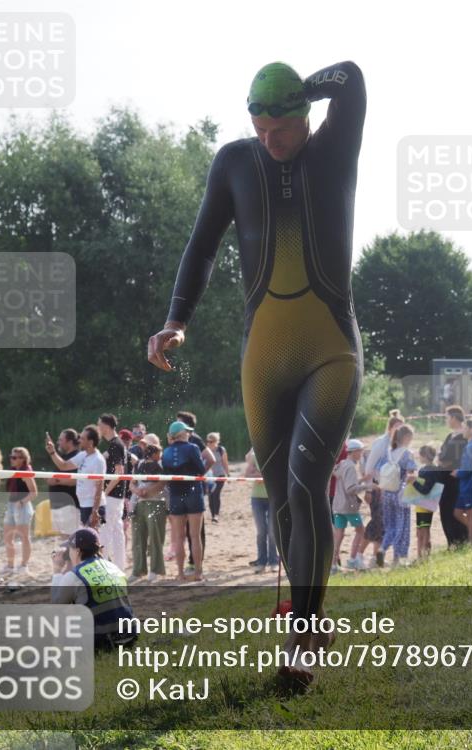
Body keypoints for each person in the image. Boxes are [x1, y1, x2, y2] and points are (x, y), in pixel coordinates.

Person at [149, 60, 365, 681]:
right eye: (260, 127)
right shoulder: (234, 162)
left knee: (305, 485)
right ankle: (312, 619)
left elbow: (351, 76)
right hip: (262, 360)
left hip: (331, 351)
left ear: (304, 118)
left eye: (283, 128)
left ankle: (302, 641)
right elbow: (202, 245)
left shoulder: (333, 150)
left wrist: (304, 92)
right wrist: (177, 319)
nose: (270, 141)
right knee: (286, 502)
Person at [51, 528, 136, 650]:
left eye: (70, 549)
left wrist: (57, 571)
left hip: (103, 642)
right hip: (130, 636)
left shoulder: (75, 575)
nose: (69, 553)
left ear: (78, 552)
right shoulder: (114, 567)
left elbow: (56, 606)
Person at [162, 421, 207, 581]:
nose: (189, 434)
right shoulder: (192, 448)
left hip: (175, 494)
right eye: (187, 432)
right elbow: (201, 470)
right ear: (182, 433)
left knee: (179, 537)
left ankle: (180, 574)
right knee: (195, 536)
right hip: (193, 493)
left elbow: (166, 474)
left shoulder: (166, 451)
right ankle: (198, 573)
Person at [362, 411, 405, 565]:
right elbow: (369, 466)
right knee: (378, 522)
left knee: (386, 523)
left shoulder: (398, 443)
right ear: (391, 427)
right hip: (378, 488)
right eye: (399, 427)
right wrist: (369, 489)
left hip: (391, 489)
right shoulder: (381, 443)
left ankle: (377, 557)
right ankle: (363, 555)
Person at [46, 425, 105, 527]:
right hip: (83, 504)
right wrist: (52, 452)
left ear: (90, 442)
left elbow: (99, 487)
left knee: (93, 540)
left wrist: (95, 511)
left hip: (92, 506)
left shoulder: (98, 460)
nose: (79, 440)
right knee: (84, 540)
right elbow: (63, 466)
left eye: (82, 438)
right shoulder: (83, 455)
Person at [377, 424, 417, 566]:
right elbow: (411, 475)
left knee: (390, 525)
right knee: (403, 526)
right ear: (406, 437)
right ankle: (399, 558)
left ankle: (382, 548)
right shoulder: (407, 453)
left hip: (387, 493)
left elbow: (380, 471)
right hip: (401, 493)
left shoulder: (388, 452)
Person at [128, 437, 167, 582]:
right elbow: (131, 483)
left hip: (156, 502)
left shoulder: (161, 465)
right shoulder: (139, 464)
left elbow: (163, 482)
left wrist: (148, 491)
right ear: (154, 453)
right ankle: (138, 570)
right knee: (138, 538)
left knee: (156, 537)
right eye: (158, 452)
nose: (160, 455)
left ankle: (155, 570)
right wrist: (138, 491)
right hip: (140, 503)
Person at [331, 439, 373, 571]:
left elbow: (342, 479)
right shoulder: (350, 467)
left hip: (338, 507)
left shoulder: (343, 464)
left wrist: (361, 480)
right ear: (354, 452)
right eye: (360, 451)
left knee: (339, 534)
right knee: (360, 530)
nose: (361, 454)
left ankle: (332, 564)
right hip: (349, 508)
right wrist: (367, 486)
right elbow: (350, 488)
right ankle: (353, 559)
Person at [98, 414, 131, 572]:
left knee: (106, 532)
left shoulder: (115, 444)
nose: (98, 428)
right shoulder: (117, 444)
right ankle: (119, 568)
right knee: (117, 533)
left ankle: (106, 570)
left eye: (99, 425)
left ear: (106, 426)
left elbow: (119, 472)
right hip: (117, 495)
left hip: (112, 496)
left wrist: (104, 492)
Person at [435, 407, 469, 546]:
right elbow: (441, 454)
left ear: (454, 418)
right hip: (445, 477)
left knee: (455, 509)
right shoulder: (450, 435)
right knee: (445, 510)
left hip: (456, 477)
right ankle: (452, 541)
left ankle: (462, 537)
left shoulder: (464, 435)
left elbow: (463, 457)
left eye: (447, 417)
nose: (446, 420)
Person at [1, 447, 37, 576]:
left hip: (22, 505)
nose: (12, 459)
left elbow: (34, 493)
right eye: (11, 457)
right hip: (11, 505)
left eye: (15, 457)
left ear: (23, 459)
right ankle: (10, 565)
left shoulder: (25, 472)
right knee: (7, 537)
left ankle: (24, 565)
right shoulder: (12, 471)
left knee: (24, 537)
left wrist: (21, 502)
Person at [245, 447, 278, 573]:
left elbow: (278, 475)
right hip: (257, 498)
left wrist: (260, 474)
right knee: (261, 532)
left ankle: (273, 561)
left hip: (273, 498)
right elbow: (247, 474)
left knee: (272, 532)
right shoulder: (255, 456)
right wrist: (261, 475)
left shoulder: (277, 458)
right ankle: (262, 561)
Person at [46, 429, 81, 537]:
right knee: (64, 537)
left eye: (61, 440)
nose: (58, 442)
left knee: (71, 537)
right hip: (59, 504)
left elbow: (76, 480)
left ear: (70, 442)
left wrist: (55, 480)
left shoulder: (76, 457)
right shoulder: (63, 458)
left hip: (69, 504)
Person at [410, 445, 440, 559]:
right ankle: (421, 556)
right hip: (428, 504)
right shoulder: (434, 469)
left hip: (423, 505)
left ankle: (423, 557)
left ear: (424, 456)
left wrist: (413, 482)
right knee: (422, 530)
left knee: (423, 531)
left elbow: (424, 490)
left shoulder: (425, 470)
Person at [454, 419, 472, 542]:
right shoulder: (469, 444)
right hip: (464, 485)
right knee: (457, 512)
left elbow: (468, 469)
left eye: (465, 428)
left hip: (470, 484)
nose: (463, 430)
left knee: (471, 515)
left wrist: (457, 473)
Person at [205, 432, 230, 523]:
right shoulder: (205, 450)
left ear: (216, 441)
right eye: (208, 441)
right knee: (210, 496)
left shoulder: (221, 450)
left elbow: (225, 463)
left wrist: (228, 474)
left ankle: (216, 515)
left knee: (216, 494)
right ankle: (213, 516)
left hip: (220, 475)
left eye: (211, 441)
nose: (209, 443)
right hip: (210, 477)